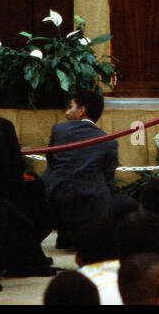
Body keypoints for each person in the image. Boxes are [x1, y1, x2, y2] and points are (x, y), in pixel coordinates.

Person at [42, 89, 133, 249]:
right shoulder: (109, 142)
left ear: (82, 110)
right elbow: (108, 177)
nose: (67, 112)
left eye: (71, 106)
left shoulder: (59, 130)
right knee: (125, 202)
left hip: (56, 197)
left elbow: (51, 161)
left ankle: (68, 234)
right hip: (92, 202)